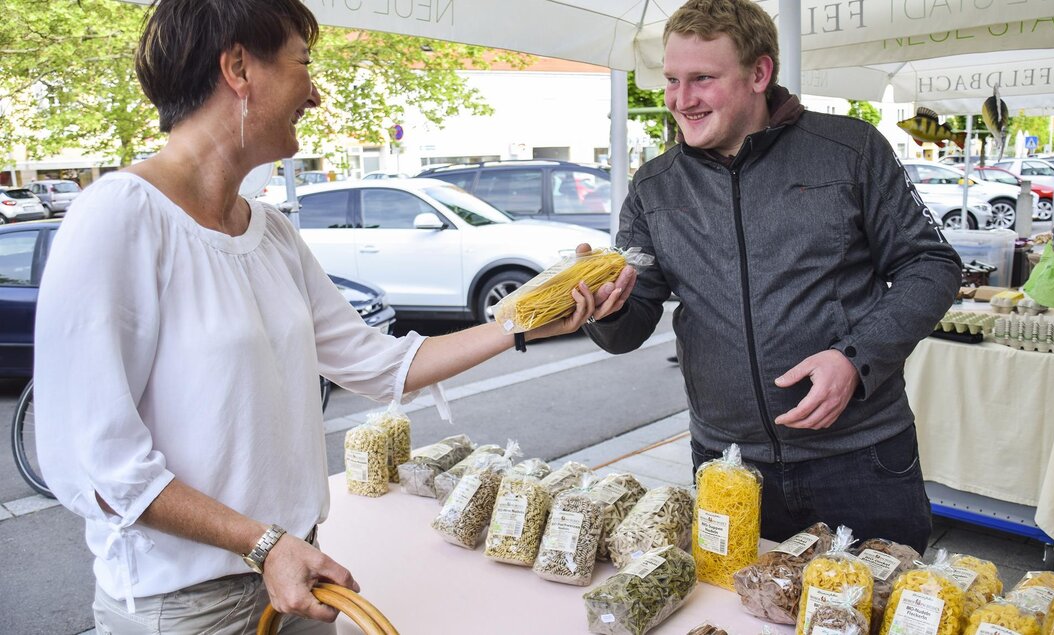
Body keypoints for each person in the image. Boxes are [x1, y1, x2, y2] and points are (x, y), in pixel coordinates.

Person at [33, 1, 622, 632]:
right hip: (188, 609)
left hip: (297, 573)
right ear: (238, 68)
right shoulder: (119, 218)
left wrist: (519, 323)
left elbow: (378, 363)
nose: (314, 93)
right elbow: (99, 468)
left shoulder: (272, 233)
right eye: (303, 64)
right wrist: (260, 543)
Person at [583, 0, 961, 554]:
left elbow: (930, 265)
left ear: (759, 74)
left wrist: (856, 357)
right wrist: (605, 306)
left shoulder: (850, 150)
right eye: (671, 80)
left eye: (703, 79)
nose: (680, 100)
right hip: (727, 464)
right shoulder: (654, 185)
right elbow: (630, 326)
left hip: (858, 457)